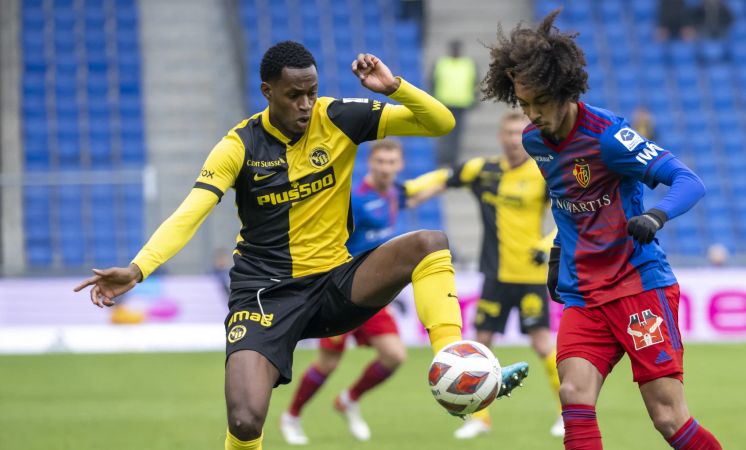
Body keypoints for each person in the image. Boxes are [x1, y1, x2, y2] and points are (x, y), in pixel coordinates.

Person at [73, 41, 528, 450]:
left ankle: (454, 364)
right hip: (264, 294)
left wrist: (393, 86)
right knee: (246, 419)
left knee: (429, 242)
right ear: (267, 91)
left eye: (312, 92)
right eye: (295, 95)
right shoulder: (239, 145)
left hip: (336, 282)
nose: (306, 104)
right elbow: (190, 212)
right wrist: (138, 268)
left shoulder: (340, 117)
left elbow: (441, 122)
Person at [482, 11, 722, 450]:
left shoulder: (609, 136)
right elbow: (568, 201)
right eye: (524, 104)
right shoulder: (535, 142)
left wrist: (655, 216)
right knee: (572, 396)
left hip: (638, 288)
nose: (532, 115)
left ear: (564, 90)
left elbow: (689, 181)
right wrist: (559, 252)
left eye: (540, 102)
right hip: (584, 296)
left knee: (667, 418)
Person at [409, 111, 562, 439]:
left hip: (531, 275)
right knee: (479, 345)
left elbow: (567, 215)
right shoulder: (485, 169)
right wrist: (409, 190)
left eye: (518, 133)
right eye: (507, 133)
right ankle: (481, 417)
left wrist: (547, 244)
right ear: (500, 137)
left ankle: (567, 412)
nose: (512, 139)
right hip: (495, 274)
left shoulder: (543, 173)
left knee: (542, 343)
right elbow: (444, 177)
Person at [280, 139, 428, 445]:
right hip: (341, 292)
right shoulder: (355, 199)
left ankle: (348, 399)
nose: (386, 167)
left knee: (394, 356)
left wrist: (455, 179)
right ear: (370, 163)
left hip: (374, 293)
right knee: (328, 363)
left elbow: (419, 194)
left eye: (392, 162)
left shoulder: (393, 193)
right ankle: (292, 416)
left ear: (399, 165)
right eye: (381, 161)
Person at [430, 39, 478, 167]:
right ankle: (443, 159)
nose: (456, 51)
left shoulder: (468, 64)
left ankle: (453, 160)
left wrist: (475, 99)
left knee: (457, 135)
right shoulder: (441, 63)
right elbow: (432, 83)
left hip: (461, 104)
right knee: (444, 133)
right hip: (444, 104)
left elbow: (475, 83)